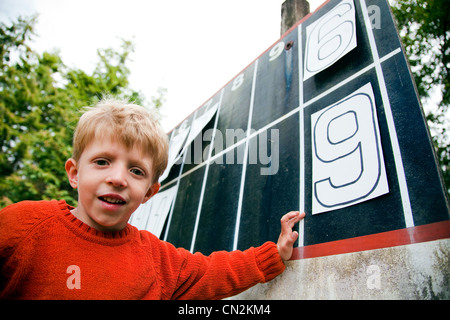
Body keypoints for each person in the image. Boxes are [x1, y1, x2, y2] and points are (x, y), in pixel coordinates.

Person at [0, 98, 305, 300]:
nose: (118, 178)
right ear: (74, 173)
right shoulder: (25, 225)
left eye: (135, 170)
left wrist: (274, 255)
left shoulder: (157, 260)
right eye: (102, 162)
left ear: (148, 192)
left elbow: (212, 271)